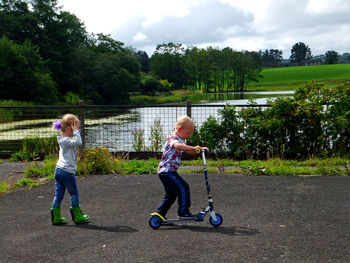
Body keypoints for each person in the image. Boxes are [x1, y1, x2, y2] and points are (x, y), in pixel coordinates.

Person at [156, 115, 209, 219]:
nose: (189, 136)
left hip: (169, 172)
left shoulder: (180, 140)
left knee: (171, 194)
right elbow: (177, 146)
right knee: (183, 187)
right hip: (167, 171)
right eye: (188, 133)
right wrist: (194, 148)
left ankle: (160, 214)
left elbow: (189, 151)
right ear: (180, 129)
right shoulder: (173, 138)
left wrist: (200, 149)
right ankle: (183, 212)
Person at [51, 114, 89, 225]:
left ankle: (56, 217)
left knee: (58, 195)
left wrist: (75, 131)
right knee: (74, 193)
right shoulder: (66, 141)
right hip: (67, 172)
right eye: (76, 127)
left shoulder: (63, 140)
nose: (78, 130)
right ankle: (77, 216)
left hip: (59, 171)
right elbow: (78, 142)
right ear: (69, 128)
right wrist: (76, 132)